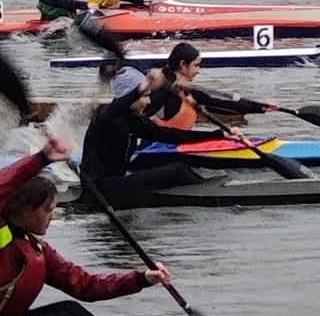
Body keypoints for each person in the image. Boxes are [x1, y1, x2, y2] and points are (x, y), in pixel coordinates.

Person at [0, 137, 171, 316]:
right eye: (48, 210)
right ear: (25, 210)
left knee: (69, 310)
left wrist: (141, 279)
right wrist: (40, 159)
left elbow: (85, 285)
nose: (53, 216)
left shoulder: (37, 249)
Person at [81, 55, 249, 208]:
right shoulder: (104, 115)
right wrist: (142, 87)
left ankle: (203, 191)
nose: (148, 102)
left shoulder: (135, 121)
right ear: (129, 95)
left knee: (178, 165)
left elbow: (173, 136)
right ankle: (212, 197)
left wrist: (220, 135)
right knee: (177, 170)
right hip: (98, 186)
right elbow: (117, 106)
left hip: (117, 180)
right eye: (145, 96)